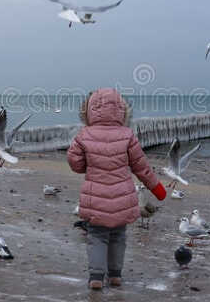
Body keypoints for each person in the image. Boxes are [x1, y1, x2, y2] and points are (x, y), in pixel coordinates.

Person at [66, 87, 165, 291]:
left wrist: (88, 166)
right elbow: (142, 167)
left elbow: (74, 162)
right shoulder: (127, 135)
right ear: (122, 111)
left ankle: (96, 277)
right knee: (118, 237)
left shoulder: (84, 135)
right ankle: (115, 275)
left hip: (96, 198)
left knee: (97, 237)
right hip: (122, 199)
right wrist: (158, 189)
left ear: (89, 110)